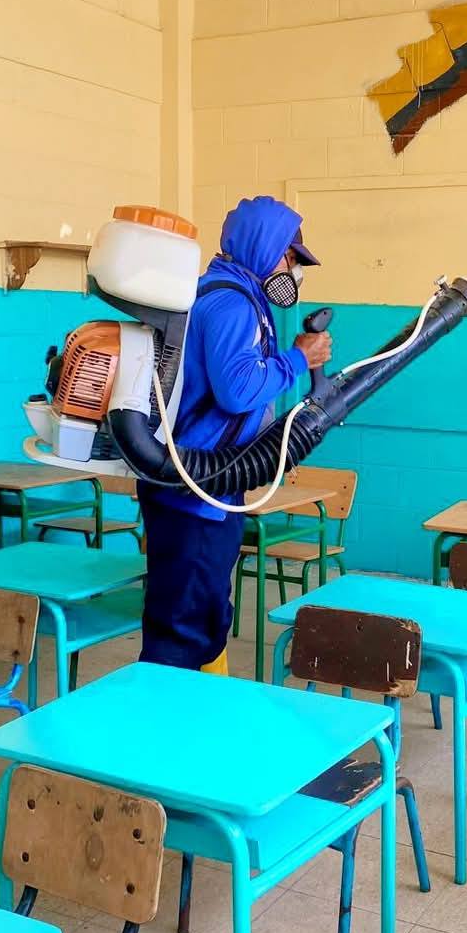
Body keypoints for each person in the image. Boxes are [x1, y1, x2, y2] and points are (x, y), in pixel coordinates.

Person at [138, 195, 331, 673]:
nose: (294, 271)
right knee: (183, 627)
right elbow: (238, 390)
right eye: (290, 258)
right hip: (196, 490)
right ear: (264, 249)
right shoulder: (230, 303)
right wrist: (298, 359)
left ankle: (204, 703)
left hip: (205, 485)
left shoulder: (226, 293)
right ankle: (167, 713)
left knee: (204, 614)